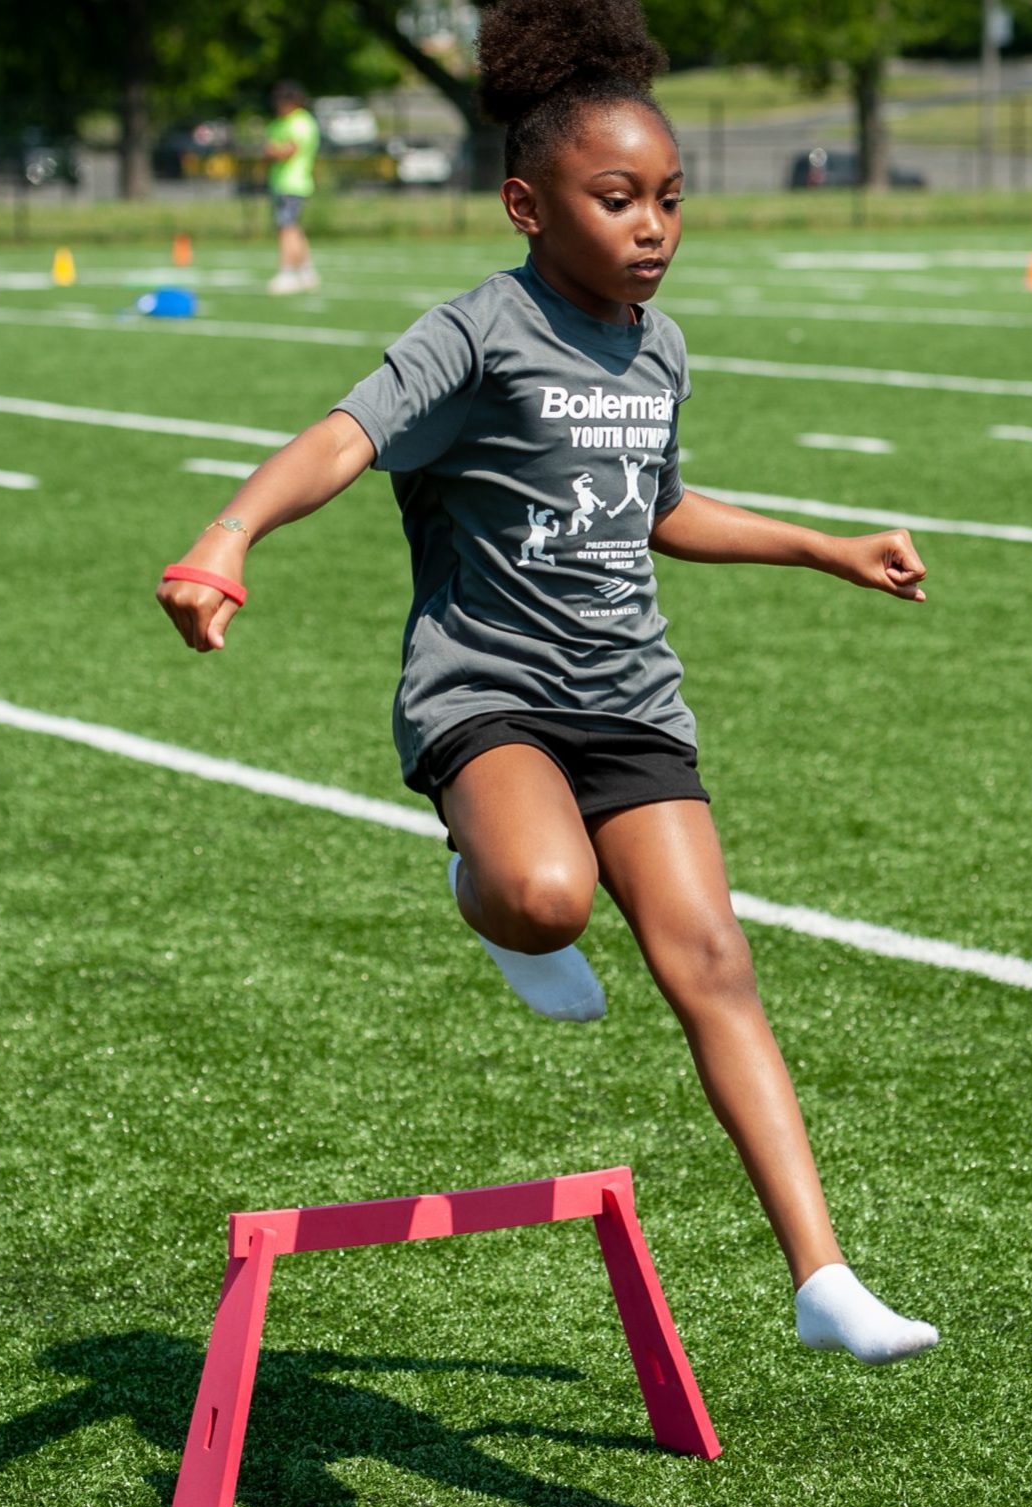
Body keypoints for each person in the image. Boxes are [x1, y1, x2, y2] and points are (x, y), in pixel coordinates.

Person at [154, 0, 939, 1367]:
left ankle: (823, 1275)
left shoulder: (664, 347)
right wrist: (230, 533)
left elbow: (661, 508)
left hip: (631, 693)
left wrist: (824, 545)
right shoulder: (476, 333)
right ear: (527, 203)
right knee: (545, 893)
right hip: (491, 691)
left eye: (672, 200)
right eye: (618, 198)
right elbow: (344, 437)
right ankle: (484, 890)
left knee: (714, 962)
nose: (654, 228)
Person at [262, 80, 321, 295]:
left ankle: (287, 272)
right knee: (292, 227)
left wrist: (274, 151)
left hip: (293, 183)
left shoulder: (301, 122)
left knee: (286, 228)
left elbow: (288, 150)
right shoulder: (279, 123)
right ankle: (306, 271)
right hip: (280, 182)